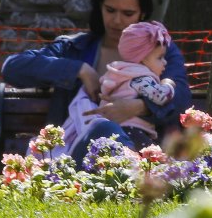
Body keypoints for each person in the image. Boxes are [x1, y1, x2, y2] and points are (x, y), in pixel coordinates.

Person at [1, 0, 191, 163]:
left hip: (144, 157)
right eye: (110, 10)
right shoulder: (74, 49)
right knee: (104, 130)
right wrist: (79, 69)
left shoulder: (160, 52)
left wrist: (140, 107)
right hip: (72, 160)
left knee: (108, 133)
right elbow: (12, 68)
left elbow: (181, 96)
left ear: (143, 14)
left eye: (128, 13)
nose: (117, 20)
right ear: (99, 5)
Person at [57, 21, 175, 160]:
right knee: (154, 165)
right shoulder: (141, 77)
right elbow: (160, 97)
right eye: (160, 58)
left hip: (117, 131)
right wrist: (168, 84)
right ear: (142, 58)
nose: (165, 63)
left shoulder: (120, 73)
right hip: (133, 131)